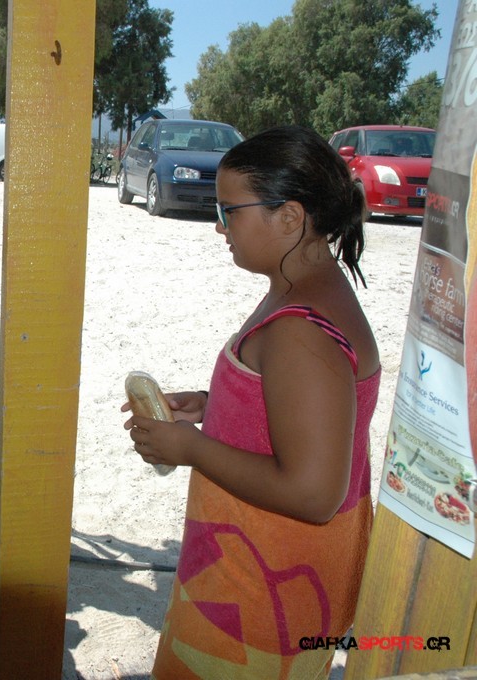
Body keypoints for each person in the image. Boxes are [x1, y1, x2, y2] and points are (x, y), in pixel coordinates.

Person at [123, 125, 381, 678]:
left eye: (229, 211)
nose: (219, 226)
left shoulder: (299, 330)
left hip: (261, 594)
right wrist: (213, 403)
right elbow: (302, 410)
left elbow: (313, 493)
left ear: (289, 217)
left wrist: (190, 448)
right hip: (262, 576)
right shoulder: (304, 289)